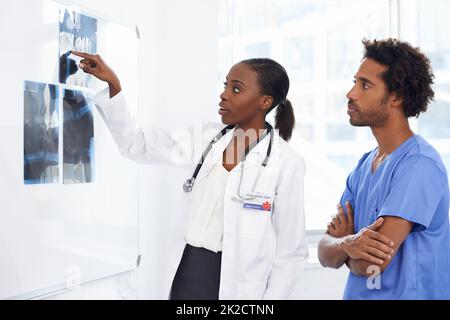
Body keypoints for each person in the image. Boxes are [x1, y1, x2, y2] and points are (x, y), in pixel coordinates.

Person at [71, 51, 308, 300]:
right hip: (187, 270)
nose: (224, 94)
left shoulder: (286, 163)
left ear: (265, 102)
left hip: (238, 285)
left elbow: (291, 254)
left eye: (236, 89)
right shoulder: (204, 138)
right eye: (226, 85)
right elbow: (136, 143)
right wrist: (114, 85)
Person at [318, 38, 450, 299]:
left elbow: (370, 265)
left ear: (397, 97)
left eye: (365, 85)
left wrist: (343, 247)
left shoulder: (419, 166)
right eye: (354, 82)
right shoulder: (364, 165)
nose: (351, 93)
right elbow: (324, 251)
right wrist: (348, 243)